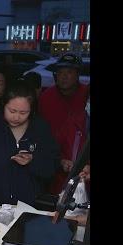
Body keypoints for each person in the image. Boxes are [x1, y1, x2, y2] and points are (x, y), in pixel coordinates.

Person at [0, 80, 59, 209]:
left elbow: (51, 167)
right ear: (3, 105)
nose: (17, 117)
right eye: (12, 111)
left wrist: (33, 161)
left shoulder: (40, 129)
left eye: (23, 113)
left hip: (30, 206)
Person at [38, 53, 89, 194]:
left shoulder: (86, 94)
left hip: (82, 168)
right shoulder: (46, 97)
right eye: (60, 72)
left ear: (78, 74)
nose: (64, 76)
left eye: (69, 72)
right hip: (52, 163)